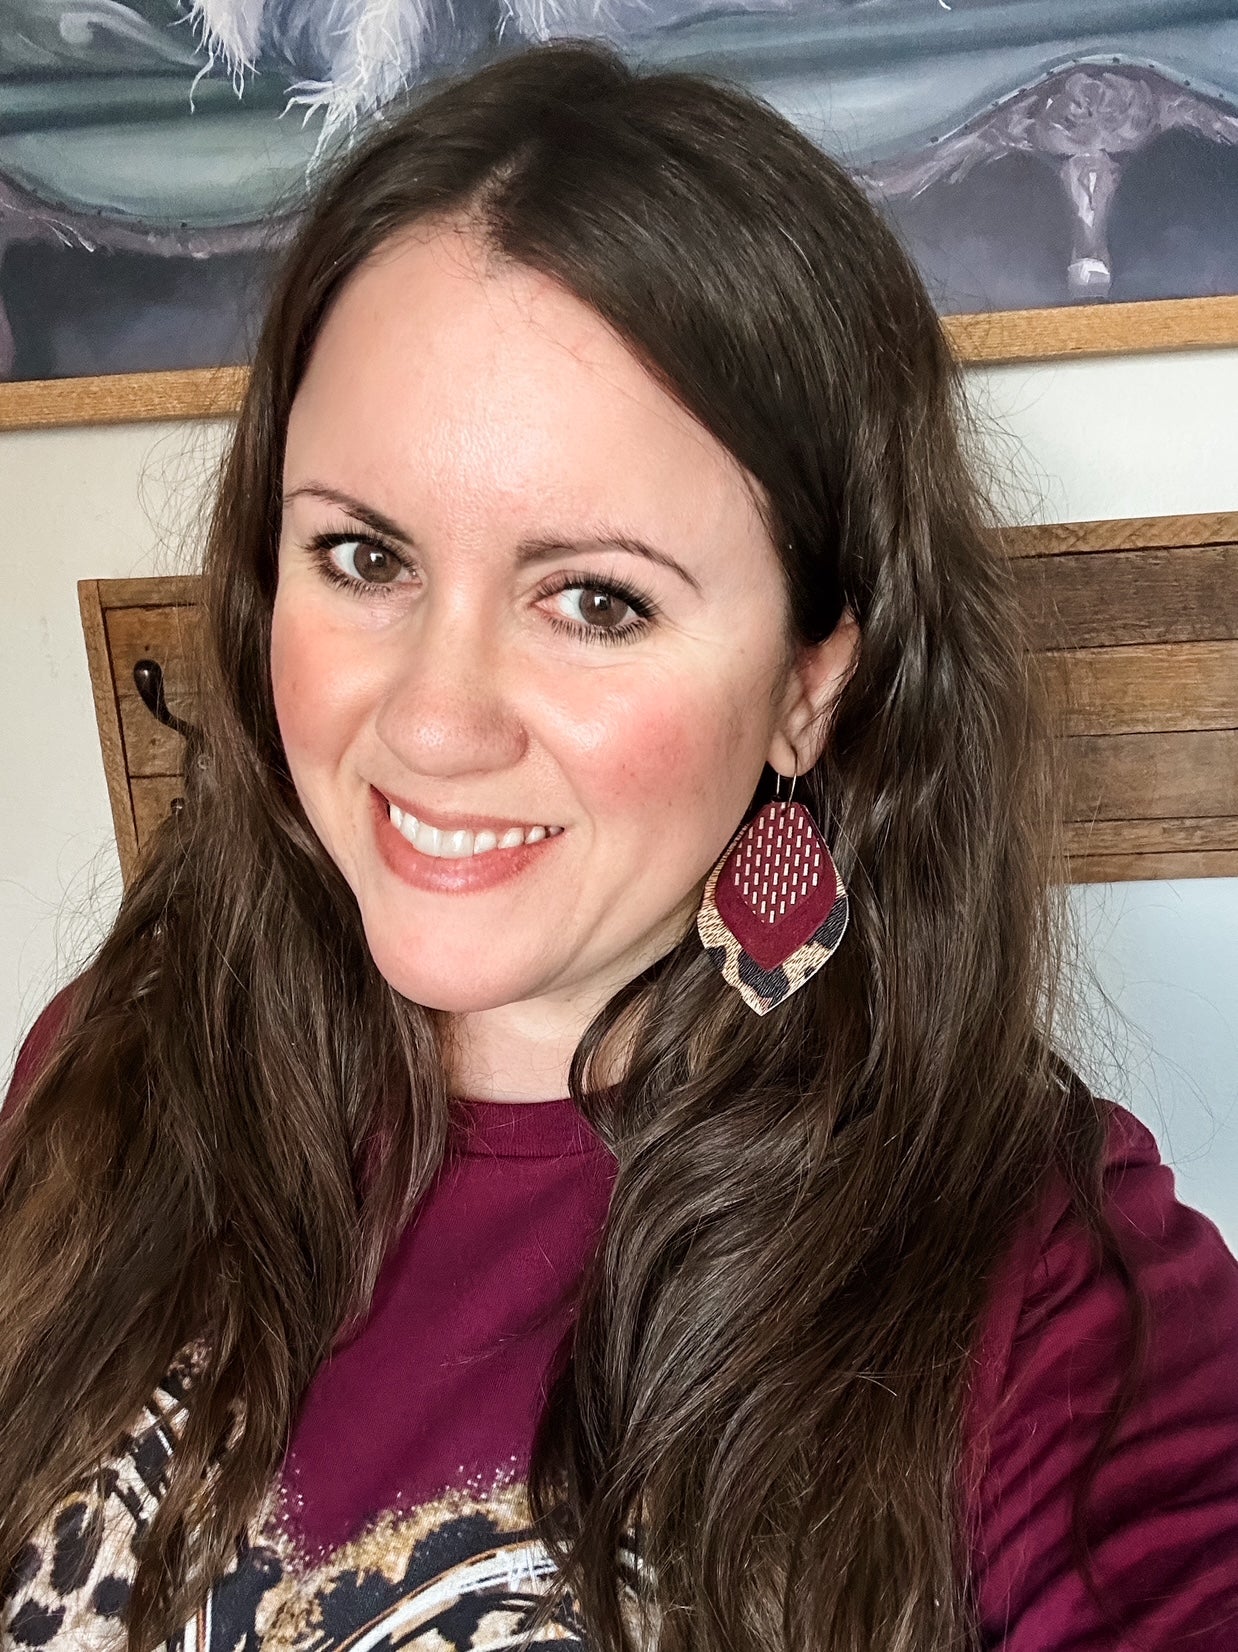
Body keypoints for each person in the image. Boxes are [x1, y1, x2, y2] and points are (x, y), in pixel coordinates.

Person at [2, 38, 1236, 1652]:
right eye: (362, 556)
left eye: (596, 599)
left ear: (806, 686)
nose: (434, 723)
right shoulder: (114, 1063)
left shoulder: (1041, 1290)